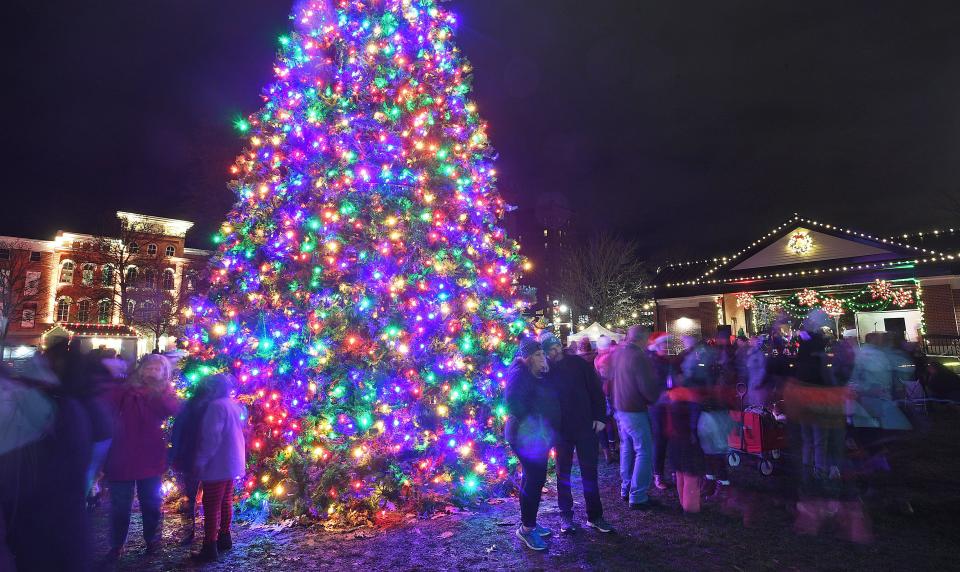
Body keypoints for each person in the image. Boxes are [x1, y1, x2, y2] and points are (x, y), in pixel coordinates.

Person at [102, 354, 181, 561]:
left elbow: (171, 409)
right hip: (122, 456)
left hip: (150, 456)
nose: (152, 372)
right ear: (141, 369)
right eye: (149, 367)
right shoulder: (125, 389)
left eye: (158, 369)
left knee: (151, 503)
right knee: (120, 506)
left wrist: (158, 390)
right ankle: (116, 544)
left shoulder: (163, 392)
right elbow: (106, 406)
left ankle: (152, 540)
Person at [540, 333, 613, 534]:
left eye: (555, 348)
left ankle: (595, 516)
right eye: (548, 351)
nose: (553, 353)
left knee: (590, 472)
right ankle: (566, 515)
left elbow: (596, 391)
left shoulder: (578, 364)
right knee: (563, 473)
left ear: (559, 346)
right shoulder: (545, 371)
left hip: (585, 426)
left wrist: (600, 416)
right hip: (561, 430)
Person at [504, 339, 559, 551]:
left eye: (541, 354)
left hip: (534, 436)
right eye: (537, 355)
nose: (542, 358)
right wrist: (534, 422)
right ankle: (526, 529)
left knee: (532, 478)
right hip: (524, 437)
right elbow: (513, 403)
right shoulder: (520, 374)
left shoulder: (533, 373)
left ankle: (529, 523)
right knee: (535, 479)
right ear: (527, 358)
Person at [192, 374, 247, 562]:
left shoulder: (216, 407)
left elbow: (211, 438)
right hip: (231, 462)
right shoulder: (232, 404)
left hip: (218, 464)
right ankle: (224, 537)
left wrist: (201, 460)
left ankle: (210, 546)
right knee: (225, 501)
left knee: (211, 504)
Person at [610, 326, 662, 509]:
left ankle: (625, 488)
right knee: (644, 450)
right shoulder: (639, 357)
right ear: (643, 338)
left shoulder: (619, 353)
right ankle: (638, 495)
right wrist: (657, 397)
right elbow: (646, 387)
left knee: (626, 448)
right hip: (634, 409)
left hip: (620, 407)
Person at [170, 378, 214, 545]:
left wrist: (175, 454)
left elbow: (177, 432)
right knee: (209, 496)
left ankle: (190, 532)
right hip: (206, 457)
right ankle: (209, 532)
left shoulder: (188, 406)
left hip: (190, 456)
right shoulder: (212, 407)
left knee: (190, 495)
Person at [646, 332, 674, 490]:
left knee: (668, 436)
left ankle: (670, 471)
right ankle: (658, 474)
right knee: (660, 438)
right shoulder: (652, 361)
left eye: (667, 344)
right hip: (657, 405)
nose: (666, 347)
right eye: (664, 344)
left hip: (668, 403)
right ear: (656, 345)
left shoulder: (664, 360)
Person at [594, 336, 618, 462]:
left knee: (604, 422)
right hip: (612, 393)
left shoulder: (598, 358)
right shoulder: (612, 357)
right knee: (611, 423)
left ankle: (607, 452)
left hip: (601, 393)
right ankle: (613, 449)